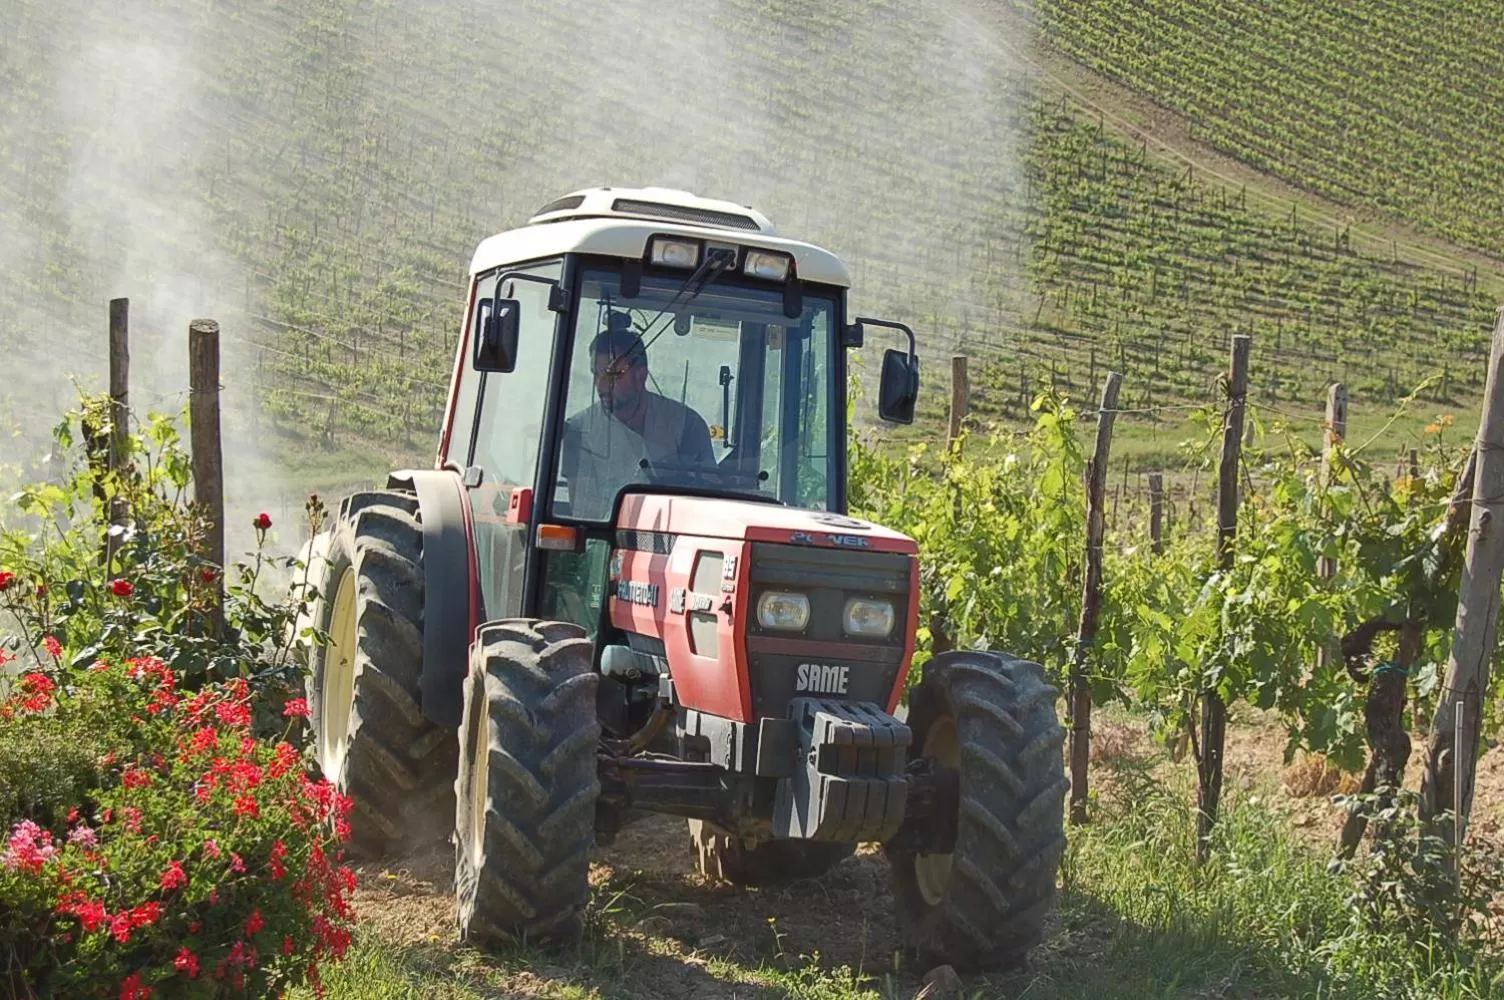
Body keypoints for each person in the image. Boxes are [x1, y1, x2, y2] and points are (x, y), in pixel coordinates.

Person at [560, 326, 716, 519]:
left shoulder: (686, 425)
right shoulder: (580, 430)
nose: (601, 385)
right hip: (605, 541)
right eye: (596, 374)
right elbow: (584, 514)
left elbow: (706, 503)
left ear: (640, 376)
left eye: (613, 374)